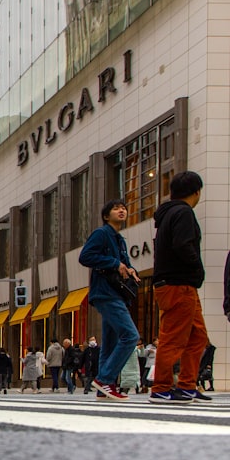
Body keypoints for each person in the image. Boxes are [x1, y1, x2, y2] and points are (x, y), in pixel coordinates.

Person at [150, 171, 211, 404]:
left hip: (178, 284)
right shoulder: (183, 213)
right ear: (197, 192)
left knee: (198, 336)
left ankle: (187, 385)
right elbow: (183, 245)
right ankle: (161, 387)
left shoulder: (168, 214)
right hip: (179, 284)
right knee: (174, 338)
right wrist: (197, 268)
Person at [79, 199, 139, 401]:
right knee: (130, 336)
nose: (122, 210)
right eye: (116, 208)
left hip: (115, 293)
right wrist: (114, 263)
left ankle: (104, 387)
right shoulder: (102, 233)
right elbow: (85, 256)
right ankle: (105, 379)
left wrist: (129, 269)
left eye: (124, 208)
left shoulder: (119, 239)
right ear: (106, 216)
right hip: (106, 293)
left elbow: (124, 264)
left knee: (111, 342)